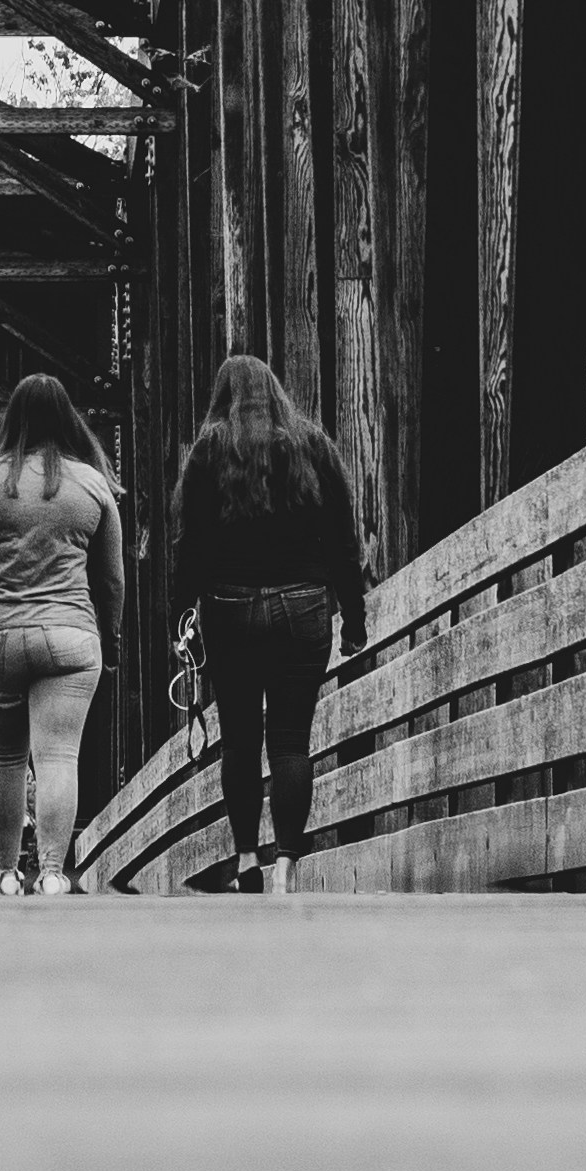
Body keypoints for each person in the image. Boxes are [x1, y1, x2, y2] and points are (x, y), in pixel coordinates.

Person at [166, 354, 366, 894]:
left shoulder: (208, 450)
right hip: (302, 607)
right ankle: (285, 868)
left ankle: (247, 858)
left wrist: (183, 615)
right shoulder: (312, 445)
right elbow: (343, 539)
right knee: (290, 741)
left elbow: (190, 545)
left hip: (229, 608)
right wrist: (354, 617)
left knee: (239, 740)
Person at [0, 372, 124, 895]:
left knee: (4, 756)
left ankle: (3, 873)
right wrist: (109, 641)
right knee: (59, 756)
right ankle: (50, 872)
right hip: (71, 634)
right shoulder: (93, 483)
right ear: (69, 418)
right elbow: (111, 579)